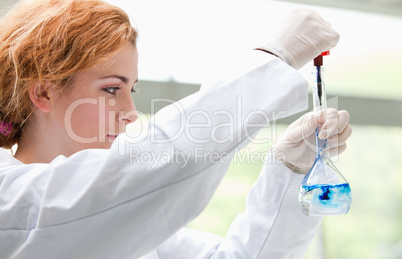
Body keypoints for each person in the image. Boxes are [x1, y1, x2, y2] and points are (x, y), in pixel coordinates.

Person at [0, 0, 351, 258]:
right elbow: (143, 172)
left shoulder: (139, 235)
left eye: (130, 90)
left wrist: (290, 172)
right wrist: (272, 59)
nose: (131, 114)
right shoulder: (9, 199)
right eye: (111, 89)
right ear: (43, 92)